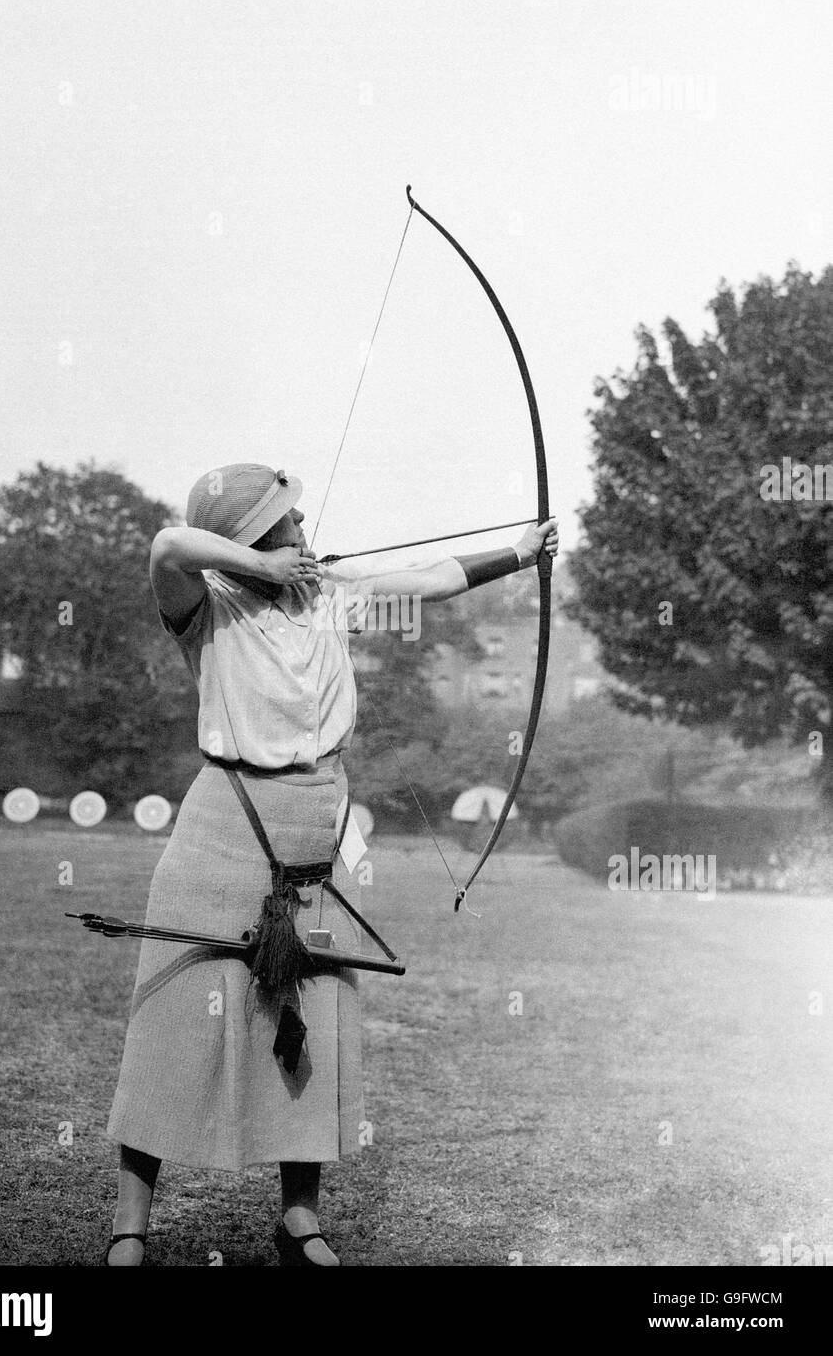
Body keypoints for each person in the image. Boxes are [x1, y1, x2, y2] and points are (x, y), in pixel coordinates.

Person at [104, 462, 558, 1266]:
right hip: (225, 825)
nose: (305, 534)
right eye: (290, 524)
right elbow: (169, 543)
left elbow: (431, 579)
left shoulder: (333, 595)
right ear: (253, 539)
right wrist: (262, 568)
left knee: (309, 1013)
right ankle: (130, 1225)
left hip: (314, 823)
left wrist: (521, 554)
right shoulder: (205, 609)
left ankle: (298, 1217)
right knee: (177, 1016)